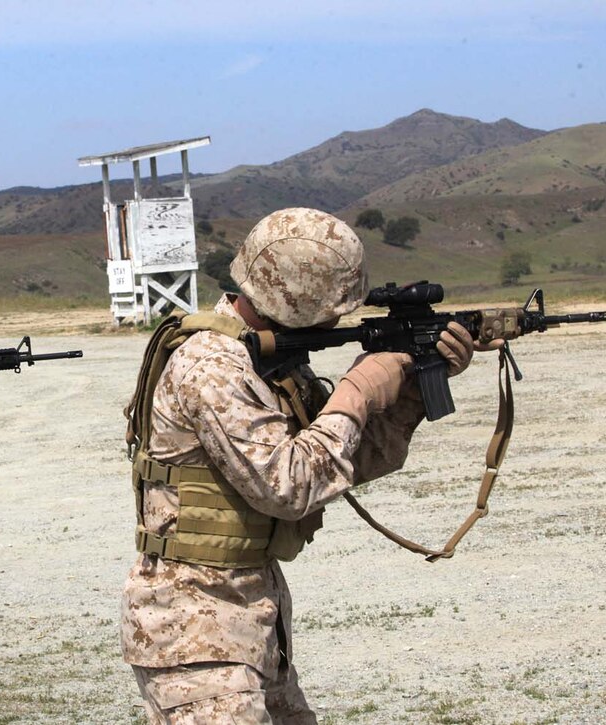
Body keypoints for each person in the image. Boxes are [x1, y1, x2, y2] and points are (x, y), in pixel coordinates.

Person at [121, 208, 480, 723]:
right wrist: (355, 393)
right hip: (195, 634)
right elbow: (288, 487)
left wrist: (415, 387)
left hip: (248, 622)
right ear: (298, 296)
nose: (337, 321)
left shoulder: (263, 358)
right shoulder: (213, 367)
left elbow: (337, 463)